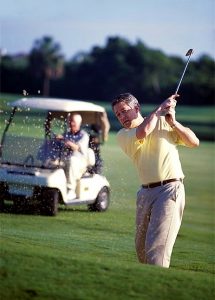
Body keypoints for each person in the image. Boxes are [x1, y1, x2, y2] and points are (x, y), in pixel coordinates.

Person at [112, 93, 199, 268]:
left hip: (169, 190)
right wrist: (160, 109)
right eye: (118, 115)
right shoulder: (123, 134)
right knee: (142, 250)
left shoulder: (162, 122)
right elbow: (143, 131)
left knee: (157, 249)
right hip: (145, 193)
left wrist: (173, 122)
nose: (122, 117)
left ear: (136, 108)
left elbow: (193, 142)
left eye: (124, 111)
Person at [56, 113, 89, 199]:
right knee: (51, 161)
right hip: (65, 159)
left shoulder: (83, 135)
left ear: (79, 123)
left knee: (71, 160)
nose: (71, 123)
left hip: (80, 161)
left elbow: (76, 147)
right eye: (70, 121)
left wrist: (64, 140)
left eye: (73, 121)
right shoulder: (66, 133)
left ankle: (71, 190)